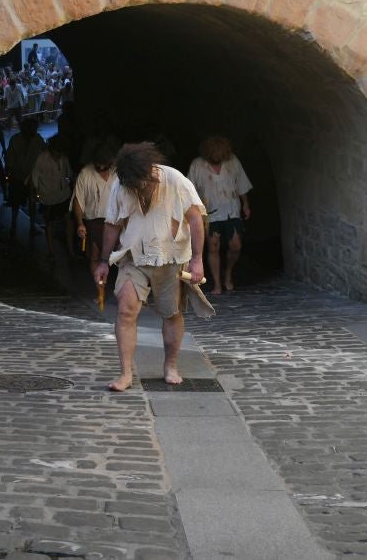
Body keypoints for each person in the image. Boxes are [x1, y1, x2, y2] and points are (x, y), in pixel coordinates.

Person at [97, 142, 206, 390]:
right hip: (132, 257)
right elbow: (112, 223)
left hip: (171, 258)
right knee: (125, 310)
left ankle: (171, 365)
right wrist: (104, 261)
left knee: (171, 313)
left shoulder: (175, 179)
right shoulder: (120, 184)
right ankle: (125, 374)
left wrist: (198, 259)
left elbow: (195, 218)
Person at [187, 135, 253, 295]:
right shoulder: (197, 165)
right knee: (213, 246)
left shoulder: (232, 162)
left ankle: (228, 272)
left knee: (236, 245)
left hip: (231, 210)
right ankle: (217, 283)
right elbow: (189, 189)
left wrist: (246, 204)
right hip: (209, 212)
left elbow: (241, 183)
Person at [72, 140, 118, 286]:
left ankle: (124, 292)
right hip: (94, 222)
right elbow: (78, 200)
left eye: (104, 165)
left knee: (123, 257)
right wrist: (80, 224)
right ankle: (100, 291)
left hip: (116, 222)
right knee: (95, 257)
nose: (101, 167)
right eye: (98, 164)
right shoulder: (85, 174)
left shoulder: (118, 173)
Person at [29, 137, 72, 257]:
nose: (58, 155)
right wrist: (34, 195)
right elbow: (34, 178)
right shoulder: (42, 158)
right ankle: (51, 251)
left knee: (68, 221)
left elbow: (69, 174)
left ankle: (71, 250)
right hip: (48, 198)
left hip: (63, 195)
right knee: (49, 223)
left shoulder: (64, 158)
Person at [4, 117, 44, 237]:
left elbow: (45, 153)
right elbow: (10, 160)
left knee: (31, 203)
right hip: (18, 177)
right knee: (16, 203)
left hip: (31, 178)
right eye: (32, 128)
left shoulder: (37, 139)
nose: (34, 130)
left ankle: (25, 226)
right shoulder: (17, 140)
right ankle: (14, 226)